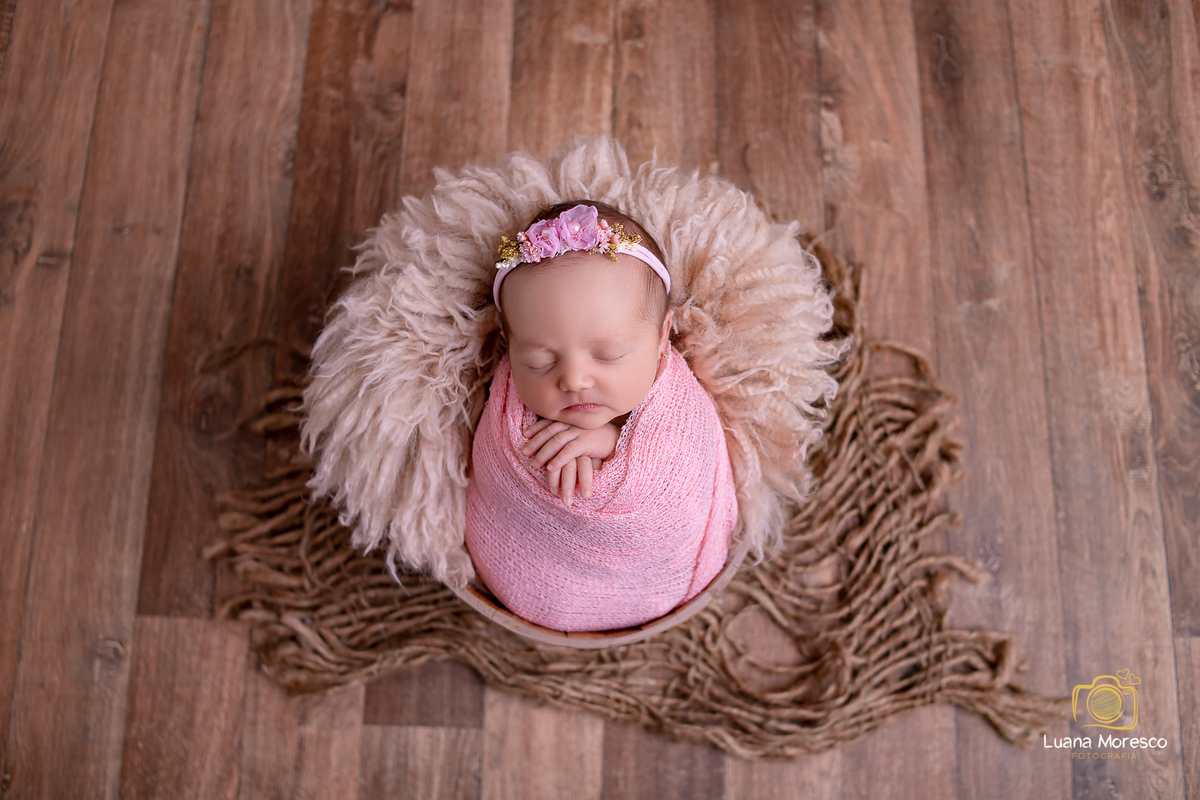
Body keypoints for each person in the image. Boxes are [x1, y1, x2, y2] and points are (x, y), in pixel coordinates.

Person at [464, 201, 738, 632]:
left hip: (659, 571)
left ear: (662, 337)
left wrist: (615, 445)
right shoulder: (508, 412)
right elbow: (495, 472)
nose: (573, 379)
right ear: (507, 345)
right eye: (539, 361)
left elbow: (684, 470)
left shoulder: (675, 401)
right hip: (536, 576)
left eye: (608, 355)